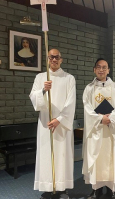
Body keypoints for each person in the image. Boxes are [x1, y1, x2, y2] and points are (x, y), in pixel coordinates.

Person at [29, 49, 76, 199]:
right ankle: (48, 187)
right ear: (48, 59)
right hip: (45, 124)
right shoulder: (40, 77)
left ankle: (62, 188)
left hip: (62, 125)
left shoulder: (69, 78)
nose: (54, 59)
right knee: (46, 156)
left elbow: (71, 102)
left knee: (62, 155)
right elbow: (33, 97)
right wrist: (43, 90)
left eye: (57, 57)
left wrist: (59, 119)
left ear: (61, 59)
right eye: (51, 57)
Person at [82, 58, 115, 199]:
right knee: (96, 157)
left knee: (111, 158)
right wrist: (100, 118)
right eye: (98, 67)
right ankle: (96, 189)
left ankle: (111, 189)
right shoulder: (89, 88)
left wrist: (111, 117)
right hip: (96, 129)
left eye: (104, 67)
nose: (101, 70)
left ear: (108, 70)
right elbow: (87, 107)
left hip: (111, 130)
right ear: (94, 69)